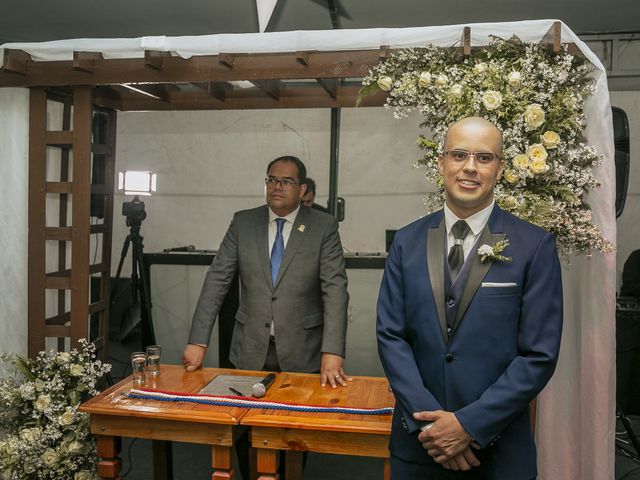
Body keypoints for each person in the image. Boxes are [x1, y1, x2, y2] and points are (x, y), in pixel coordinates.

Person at [376, 117, 563, 479]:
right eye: (459, 154)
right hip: (419, 448)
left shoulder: (534, 246)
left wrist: (468, 425)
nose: (470, 168)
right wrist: (431, 425)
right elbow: (391, 336)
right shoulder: (406, 241)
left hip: (498, 453)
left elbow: (539, 354)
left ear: (501, 168)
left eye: (484, 157)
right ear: (442, 163)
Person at [183, 155, 350, 388]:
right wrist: (198, 341)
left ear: (302, 189)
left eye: (286, 181)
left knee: (295, 422)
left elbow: (335, 291)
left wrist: (332, 351)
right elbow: (217, 280)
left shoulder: (324, 227)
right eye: (271, 180)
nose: (277, 187)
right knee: (244, 420)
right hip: (249, 350)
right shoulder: (243, 223)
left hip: (303, 352)